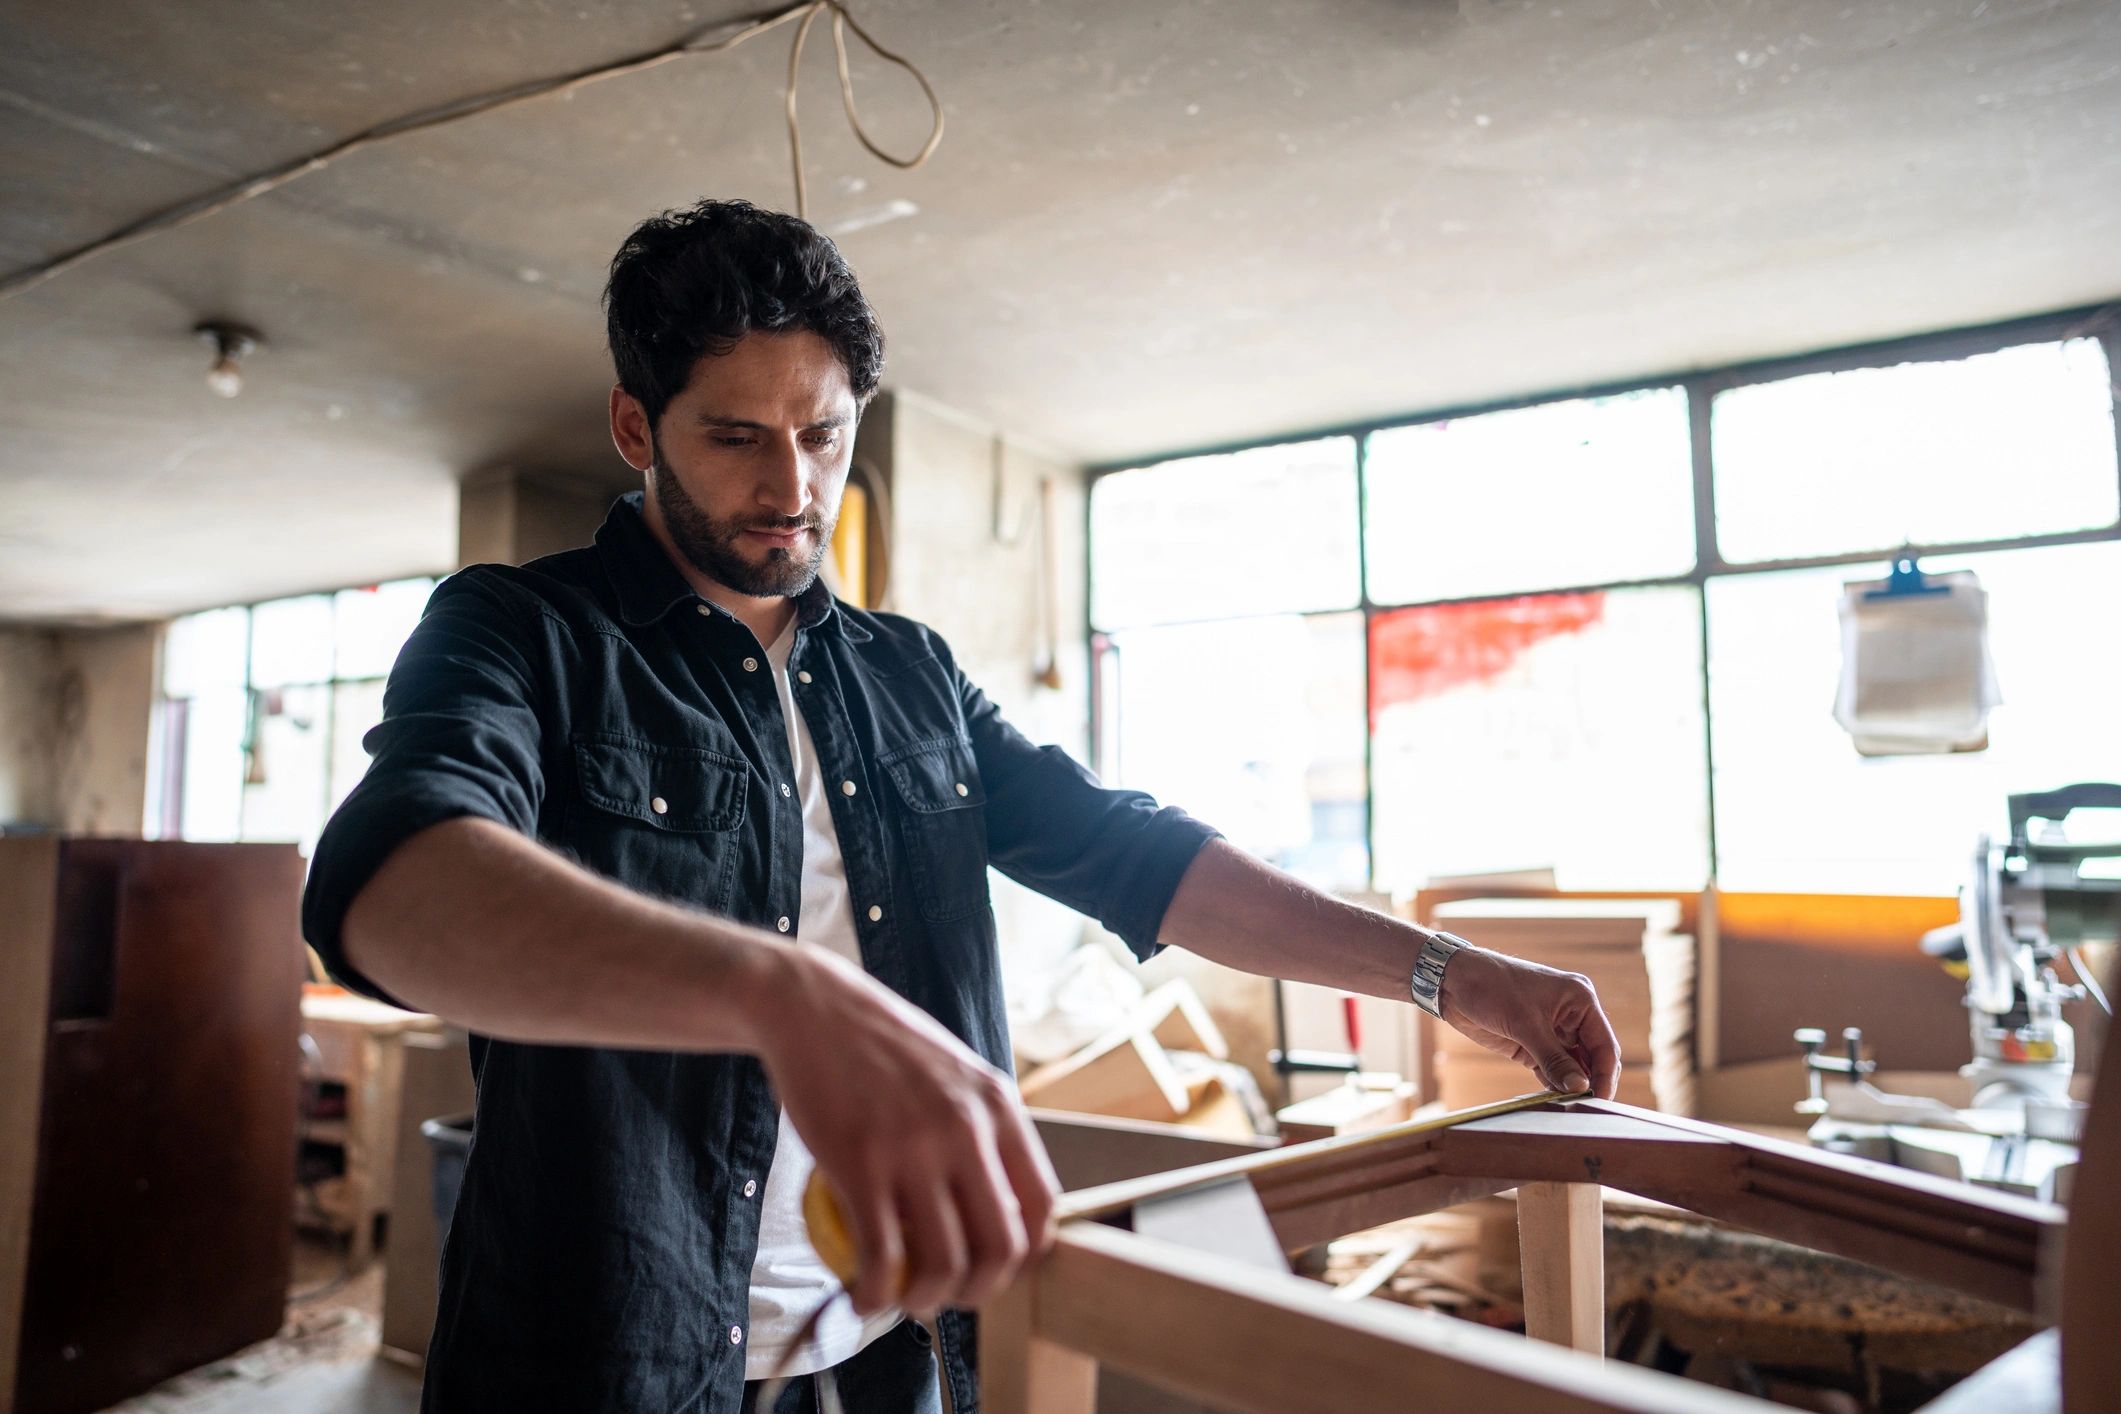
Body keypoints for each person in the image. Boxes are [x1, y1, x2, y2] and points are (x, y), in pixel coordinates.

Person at [302, 198, 1620, 1414]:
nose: (791, 485)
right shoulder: (522, 631)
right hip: (606, 1357)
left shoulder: (908, 675)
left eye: (822, 433)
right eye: (736, 435)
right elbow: (392, 886)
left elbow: (1138, 854)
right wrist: (778, 991)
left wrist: (1451, 973)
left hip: (895, 1353)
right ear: (636, 428)